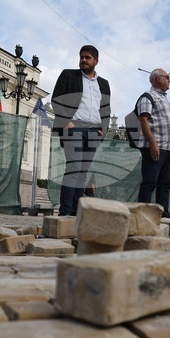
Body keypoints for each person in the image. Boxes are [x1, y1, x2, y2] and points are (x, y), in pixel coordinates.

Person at [51, 45, 111, 216]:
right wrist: (66, 122)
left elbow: (106, 109)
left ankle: (77, 214)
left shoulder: (104, 84)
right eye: (82, 57)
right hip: (74, 128)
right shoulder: (68, 75)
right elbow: (56, 99)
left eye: (88, 57)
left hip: (94, 132)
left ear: (96, 61)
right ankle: (64, 214)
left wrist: (103, 130)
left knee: (83, 173)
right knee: (74, 168)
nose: (84, 60)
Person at [136, 68, 170, 213]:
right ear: (158, 79)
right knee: (150, 182)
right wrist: (152, 143)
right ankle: (143, 215)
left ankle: (163, 215)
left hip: (168, 149)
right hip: (156, 147)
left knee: (165, 184)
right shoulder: (148, 96)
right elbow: (143, 119)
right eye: (167, 77)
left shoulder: (164, 98)